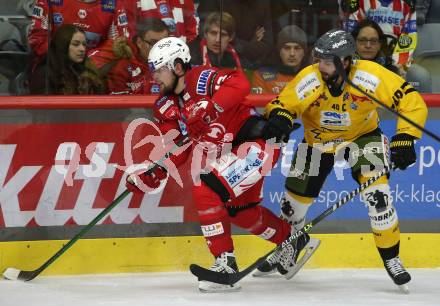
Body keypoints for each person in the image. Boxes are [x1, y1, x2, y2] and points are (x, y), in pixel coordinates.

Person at [124, 37, 308, 292]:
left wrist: (211, 108)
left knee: (205, 188)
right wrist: (155, 171)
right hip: (231, 157)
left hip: (255, 144)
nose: (154, 76)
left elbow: (240, 84)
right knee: (241, 211)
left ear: (178, 67)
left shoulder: (201, 78)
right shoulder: (165, 106)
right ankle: (293, 241)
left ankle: (225, 263)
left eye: (159, 69)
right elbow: (176, 148)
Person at [256, 29, 427, 290]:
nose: (320, 66)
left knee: (378, 196)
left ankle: (392, 258)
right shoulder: (310, 77)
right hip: (317, 142)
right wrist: (280, 116)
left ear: (345, 61)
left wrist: (405, 137)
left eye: (327, 61)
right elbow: (283, 103)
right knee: (292, 206)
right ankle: (288, 246)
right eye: (319, 59)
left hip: (362, 137)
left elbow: (411, 101)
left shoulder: (370, 75)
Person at [28, 0, 130, 68]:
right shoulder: (49, 1)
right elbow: (38, 39)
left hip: (95, 73)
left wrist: (88, 62)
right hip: (56, 71)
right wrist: (64, 58)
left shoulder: (113, 4)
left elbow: (119, 46)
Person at [88, 18, 169, 94]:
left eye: (164, 43)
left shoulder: (173, 63)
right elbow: (121, 105)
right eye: (153, 43)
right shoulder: (122, 65)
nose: (160, 49)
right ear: (139, 42)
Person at [339, 0, 417, 72]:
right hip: (361, 60)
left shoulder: (407, 4)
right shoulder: (360, 2)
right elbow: (352, 35)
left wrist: (396, 66)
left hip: (394, 61)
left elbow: (408, 38)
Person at [29, 24, 105, 94]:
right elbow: (44, 106)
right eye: (76, 44)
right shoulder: (44, 74)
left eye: (84, 45)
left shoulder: (84, 71)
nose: (82, 49)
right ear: (63, 45)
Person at [251, 25, 310, 94]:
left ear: (304, 52)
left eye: (297, 48)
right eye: (287, 48)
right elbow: (259, 104)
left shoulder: (313, 75)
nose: (292, 53)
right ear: (279, 51)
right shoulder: (262, 75)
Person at [125, 0, 199, 43]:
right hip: (148, 60)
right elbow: (132, 37)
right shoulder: (131, 2)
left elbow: (192, 31)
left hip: (180, 55)